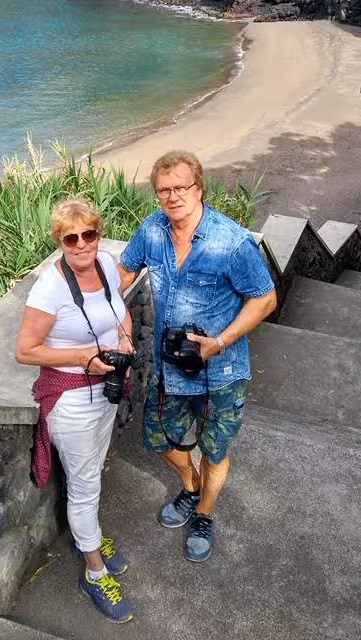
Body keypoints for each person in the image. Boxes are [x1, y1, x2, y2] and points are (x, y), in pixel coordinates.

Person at [117, 150, 277, 563]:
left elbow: (266, 299)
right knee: (158, 438)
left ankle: (204, 513)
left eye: (181, 187)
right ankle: (190, 488)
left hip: (220, 371)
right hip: (170, 370)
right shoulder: (151, 231)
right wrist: (85, 298)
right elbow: (124, 274)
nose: (172, 197)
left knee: (216, 450)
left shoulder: (231, 242)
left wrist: (219, 342)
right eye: (163, 191)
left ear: (199, 187)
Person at [15, 198, 136, 623]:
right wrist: (84, 355)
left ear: (99, 234)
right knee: (84, 486)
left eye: (90, 234)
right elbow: (25, 350)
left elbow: (120, 312)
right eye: (71, 237)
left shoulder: (105, 264)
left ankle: (91, 537)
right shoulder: (48, 289)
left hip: (103, 393)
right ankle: (93, 572)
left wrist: (125, 339)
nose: (82, 244)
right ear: (59, 241)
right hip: (70, 401)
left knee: (89, 476)